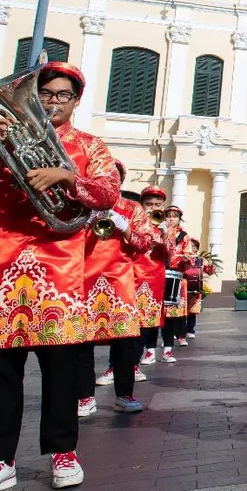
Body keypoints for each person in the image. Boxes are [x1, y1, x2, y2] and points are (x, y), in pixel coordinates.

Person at [0, 61, 121, 489]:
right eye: (45, 94)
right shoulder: (6, 139)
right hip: (6, 263)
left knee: (60, 369)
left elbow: (109, 192)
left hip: (60, 266)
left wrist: (68, 177)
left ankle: (63, 453)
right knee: (4, 370)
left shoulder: (90, 145)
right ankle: (3, 458)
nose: (52, 102)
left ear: (75, 101)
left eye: (61, 95)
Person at [76, 159, 154, 419]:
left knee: (126, 342)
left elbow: (145, 243)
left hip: (119, 280)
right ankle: (85, 396)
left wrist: (125, 226)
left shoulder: (132, 208)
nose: (108, 179)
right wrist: (85, 221)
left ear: (120, 181)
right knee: (81, 343)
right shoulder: (79, 204)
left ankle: (125, 394)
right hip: (83, 277)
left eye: (114, 176)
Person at [136, 186, 170, 368]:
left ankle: (137, 363)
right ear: (142, 205)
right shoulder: (133, 220)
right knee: (128, 325)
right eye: (148, 204)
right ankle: (116, 367)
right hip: (131, 275)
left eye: (157, 204)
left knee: (147, 324)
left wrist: (164, 233)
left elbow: (170, 254)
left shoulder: (165, 227)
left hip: (153, 279)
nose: (153, 207)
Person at [158, 205, 196, 361]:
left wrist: (186, 258)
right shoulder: (156, 230)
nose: (171, 218)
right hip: (156, 274)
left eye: (174, 216)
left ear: (179, 219)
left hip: (173, 276)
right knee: (153, 314)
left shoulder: (184, 236)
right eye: (168, 215)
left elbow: (190, 255)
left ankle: (169, 347)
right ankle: (150, 350)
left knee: (172, 315)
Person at [184, 238, 213, 340]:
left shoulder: (200, 260)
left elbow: (209, 271)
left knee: (192, 312)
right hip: (183, 288)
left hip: (195, 290)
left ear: (196, 249)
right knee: (181, 312)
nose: (190, 248)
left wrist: (209, 265)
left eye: (192, 246)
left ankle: (190, 330)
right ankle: (178, 332)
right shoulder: (183, 258)